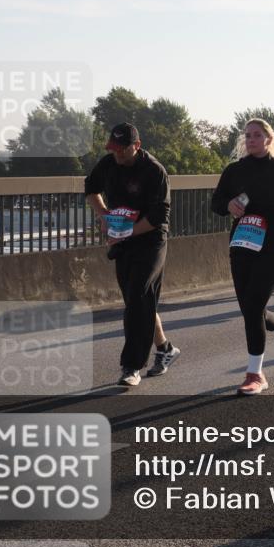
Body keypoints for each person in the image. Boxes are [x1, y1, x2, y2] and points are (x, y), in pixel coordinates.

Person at [211, 119, 274, 395]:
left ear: (268, 139)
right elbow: (216, 203)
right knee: (251, 310)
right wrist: (227, 205)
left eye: (257, 135)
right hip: (242, 246)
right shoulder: (234, 171)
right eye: (248, 135)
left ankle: (255, 373)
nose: (251, 139)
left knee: (253, 306)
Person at [84, 123, 180, 387]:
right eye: (113, 149)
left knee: (138, 296)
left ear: (136, 146)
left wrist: (126, 232)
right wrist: (104, 216)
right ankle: (165, 348)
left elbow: (158, 218)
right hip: (123, 241)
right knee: (138, 302)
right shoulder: (108, 163)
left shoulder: (154, 171)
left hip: (151, 241)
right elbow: (90, 189)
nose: (117, 154)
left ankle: (132, 366)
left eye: (122, 149)